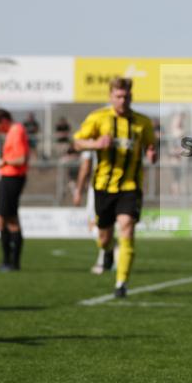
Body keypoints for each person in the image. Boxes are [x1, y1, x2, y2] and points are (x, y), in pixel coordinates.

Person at [73, 77, 157, 298]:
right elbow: (77, 142)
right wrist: (95, 143)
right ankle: (108, 251)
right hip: (103, 186)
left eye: (126, 96)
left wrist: (151, 152)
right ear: (111, 97)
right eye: (118, 96)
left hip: (130, 186)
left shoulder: (142, 122)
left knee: (127, 227)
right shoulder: (98, 118)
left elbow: (150, 144)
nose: (123, 100)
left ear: (131, 96)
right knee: (104, 237)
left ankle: (121, 283)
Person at [0, 109, 30, 271]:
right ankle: (6, 260)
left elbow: (21, 159)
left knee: (11, 220)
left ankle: (13, 263)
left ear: (4, 121)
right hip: (7, 178)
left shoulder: (17, 131)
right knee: (1, 219)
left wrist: (4, 162)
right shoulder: (11, 133)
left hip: (13, 179)